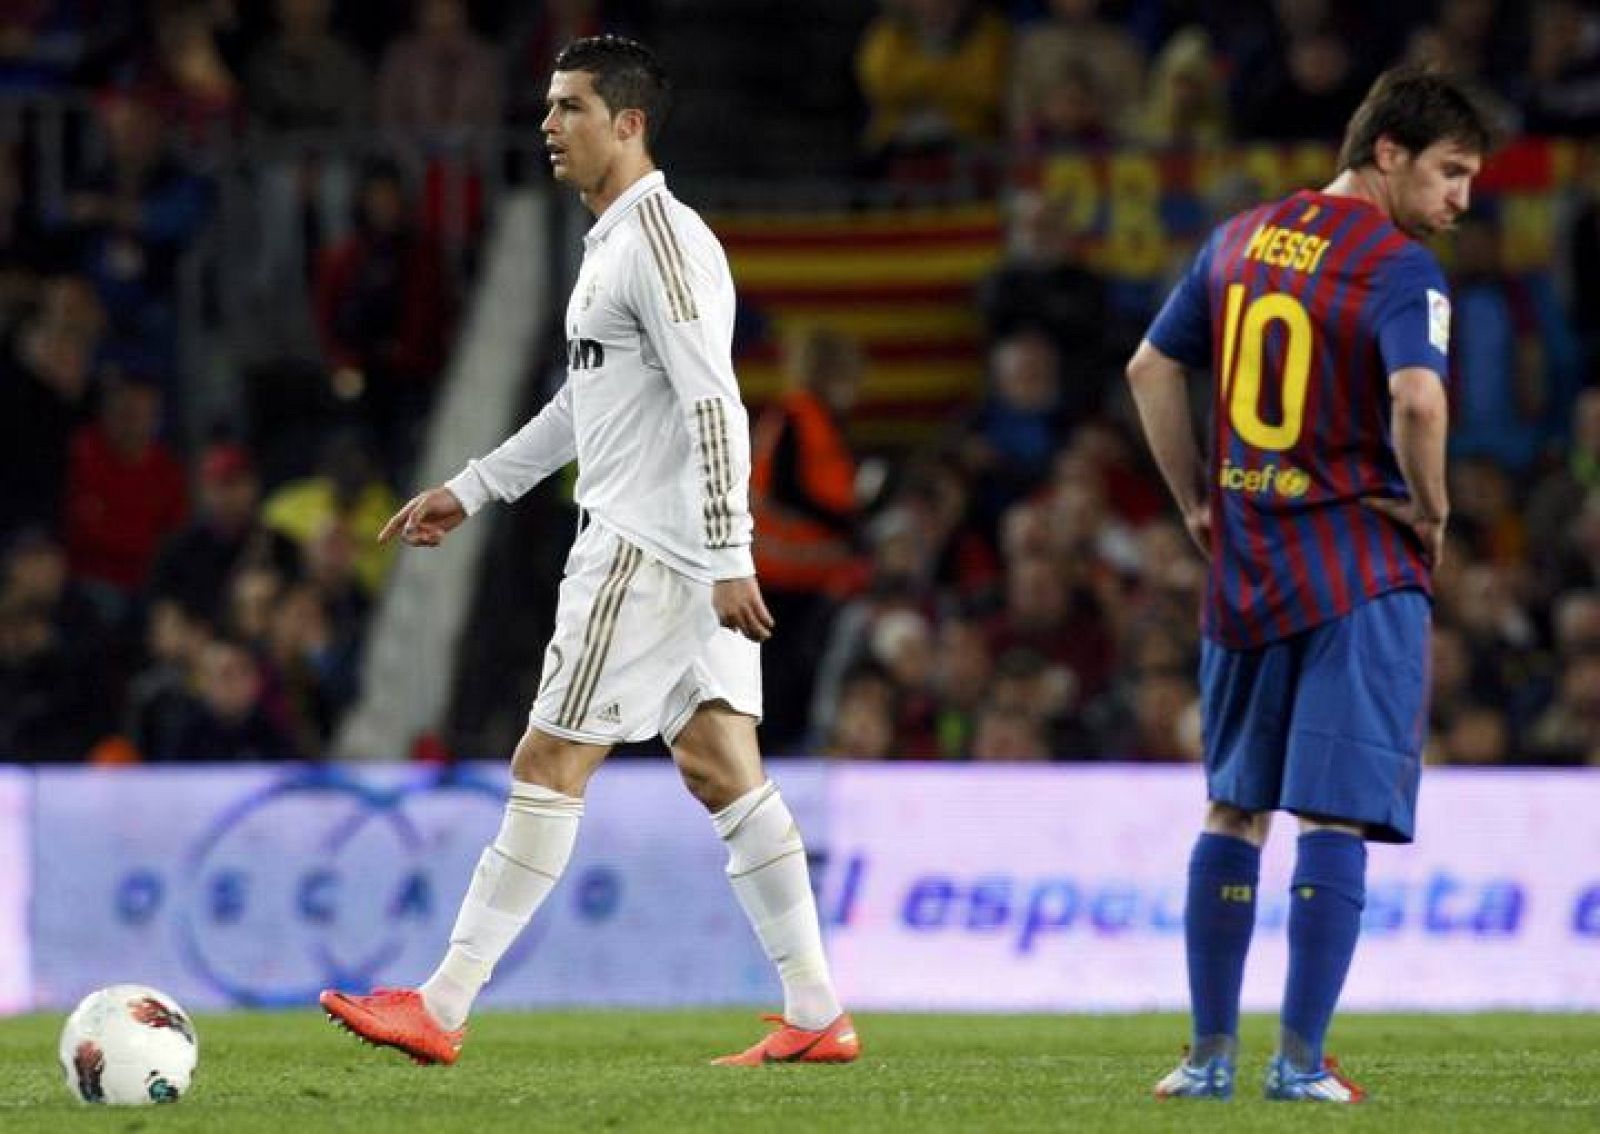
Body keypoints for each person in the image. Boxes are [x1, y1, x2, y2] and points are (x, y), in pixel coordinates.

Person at [319, 35, 857, 1069]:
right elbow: (585, 404)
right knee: (719, 765)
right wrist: (471, 489)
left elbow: (714, 398)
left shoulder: (659, 241)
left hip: (646, 548)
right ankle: (816, 1009)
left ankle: (441, 1002)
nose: (548, 125)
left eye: (569, 107)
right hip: (678, 551)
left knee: (548, 758)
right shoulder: (611, 243)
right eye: (548, 107)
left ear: (629, 122)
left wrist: (726, 550)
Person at [1124, 67, 1491, 1102]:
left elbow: (1149, 371)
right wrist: (1432, 510)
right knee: (1331, 818)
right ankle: (1296, 1065)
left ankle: (1203, 1061)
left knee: (1231, 808)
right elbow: (1417, 401)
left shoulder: (1235, 238)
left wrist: (1197, 501)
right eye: (1450, 171)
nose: (1460, 198)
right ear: (1387, 154)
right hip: (1355, 574)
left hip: (1245, 571)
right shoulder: (1398, 268)